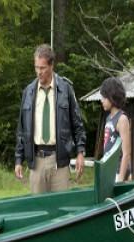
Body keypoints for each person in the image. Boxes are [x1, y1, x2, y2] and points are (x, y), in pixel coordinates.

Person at [15, 44, 87, 194]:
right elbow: (22, 130)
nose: (38, 72)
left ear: (51, 65)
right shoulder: (28, 92)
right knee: (38, 210)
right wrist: (18, 160)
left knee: (62, 212)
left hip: (59, 162)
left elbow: (77, 124)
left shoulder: (66, 89)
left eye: (42, 68)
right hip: (36, 162)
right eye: (36, 67)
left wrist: (80, 152)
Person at [100, 77, 131, 182]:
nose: (101, 100)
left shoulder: (122, 119)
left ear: (112, 96)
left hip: (118, 174)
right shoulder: (109, 118)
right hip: (109, 172)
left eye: (104, 97)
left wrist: (121, 179)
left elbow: (126, 153)